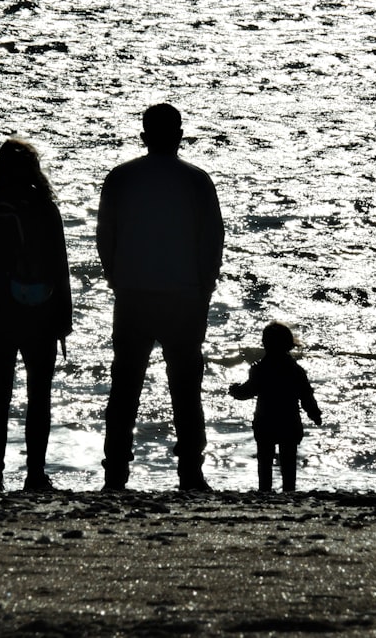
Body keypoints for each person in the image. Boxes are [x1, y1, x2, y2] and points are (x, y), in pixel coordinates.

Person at [97, 103, 224, 491]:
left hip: (134, 294)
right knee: (186, 388)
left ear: (144, 135)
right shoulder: (197, 180)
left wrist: (117, 279)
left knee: (125, 387)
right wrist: (204, 286)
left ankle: (116, 472)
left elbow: (106, 236)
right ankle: (190, 471)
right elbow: (212, 240)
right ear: (179, 135)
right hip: (184, 297)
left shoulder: (121, 178)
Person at [0, 139, 72, 492]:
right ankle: (35, 474)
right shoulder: (44, 210)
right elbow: (60, 268)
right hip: (39, 313)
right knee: (39, 397)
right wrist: (63, 320)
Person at [229, 322, 322, 492]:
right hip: (289, 420)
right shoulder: (295, 369)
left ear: (266, 344)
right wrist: (315, 414)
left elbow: (248, 392)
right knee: (288, 461)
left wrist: (235, 391)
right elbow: (306, 395)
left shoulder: (261, 370)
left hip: (265, 421)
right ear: (288, 344)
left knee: (265, 460)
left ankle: (264, 490)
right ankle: (289, 491)